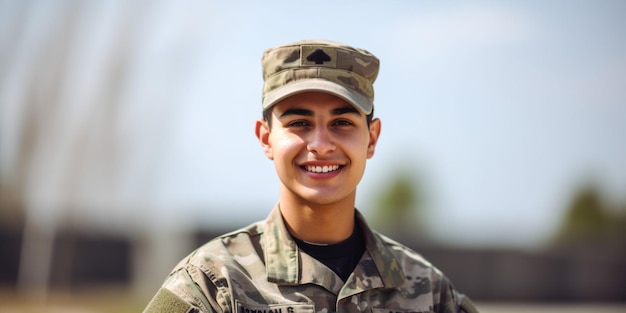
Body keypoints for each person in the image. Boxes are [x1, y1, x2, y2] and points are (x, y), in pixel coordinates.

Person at [143, 39, 479, 313]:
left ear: (371, 139)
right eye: (299, 123)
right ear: (266, 139)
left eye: (342, 123)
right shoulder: (212, 284)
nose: (320, 145)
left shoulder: (427, 290)